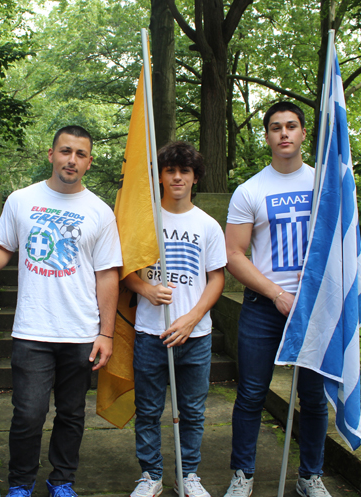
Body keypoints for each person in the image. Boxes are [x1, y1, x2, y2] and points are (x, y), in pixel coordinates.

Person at [0, 126, 123, 497]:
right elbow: (1, 249)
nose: (72, 160)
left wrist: (107, 332)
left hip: (81, 332)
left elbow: (108, 276)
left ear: (89, 162)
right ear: (51, 154)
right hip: (32, 329)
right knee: (28, 414)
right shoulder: (21, 200)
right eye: (65, 151)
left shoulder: (100, 211)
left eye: (81, 154)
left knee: (71, 414)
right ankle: (20, 484)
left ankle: (61, 481)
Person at [224, 102, 330, 497]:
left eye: (291, 126)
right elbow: (234, 255)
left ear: (304, 133)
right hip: (263, 307)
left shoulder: (325, 184)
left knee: (314, 397)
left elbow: (341, 244)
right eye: (275, 127)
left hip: (315, 307)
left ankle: (310, 476)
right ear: (266, 136)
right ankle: (243, 475)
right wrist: (277, 294)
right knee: (251, 392)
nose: (284, 133)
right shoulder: (251, 190)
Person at [124, 142, 226, 497]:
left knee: (193, 412)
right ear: (161, 177)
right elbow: (124, 271)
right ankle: (151, 475)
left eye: (185, 171)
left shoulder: (208, 225)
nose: (178, 177)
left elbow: (217, 278)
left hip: (196, 337)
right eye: (171, 171)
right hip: (151, 333)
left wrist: (192, 317)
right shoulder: (145, 220)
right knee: (149, 410)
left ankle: (188, 475)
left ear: (195, 177)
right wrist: (146, 289)